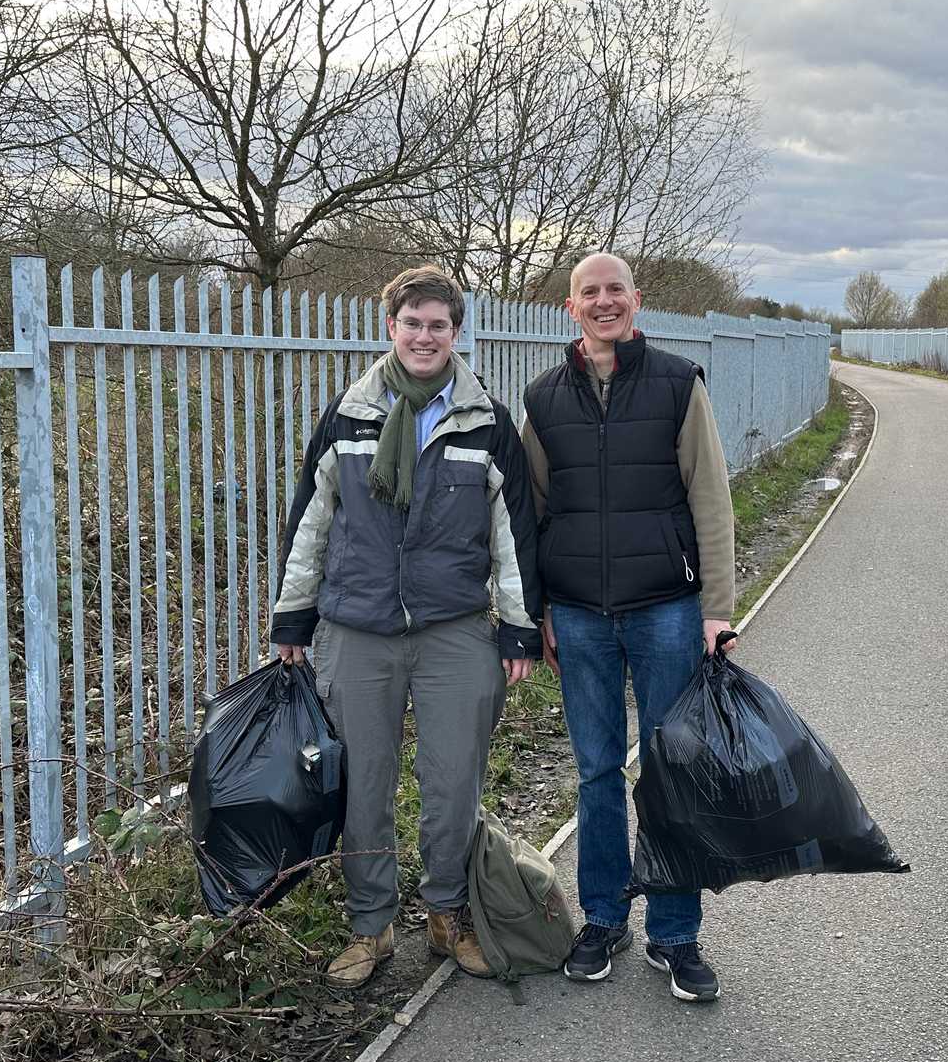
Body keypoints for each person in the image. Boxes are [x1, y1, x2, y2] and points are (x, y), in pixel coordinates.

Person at [272, 267, 542, 989]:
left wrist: (519, 627)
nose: (425, 337)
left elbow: (512, 533)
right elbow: (312, 524)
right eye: (412, 323)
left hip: (454, 629)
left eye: (439, 325)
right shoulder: (348, 416)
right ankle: (372, 925)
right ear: (389, 326)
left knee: (453, 780)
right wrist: (291, 616)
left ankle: (448, 916)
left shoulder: (486, 420)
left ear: (457, 333)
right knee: (363, 785)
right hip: (356, 628)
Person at [520, 251, 736, 1003]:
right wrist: (539, 607)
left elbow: (710, 498)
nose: (604, 301)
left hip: (667, 612)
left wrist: (717, 609)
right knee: (596, 770)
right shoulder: (542, 400)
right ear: (570, 308)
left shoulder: (678, 384)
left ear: (635, 301)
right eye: (590, 293)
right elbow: (533, 514)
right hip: (578, 614)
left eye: (615, 290)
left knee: (670, 768)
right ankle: (604, 918)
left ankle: (675, 935)